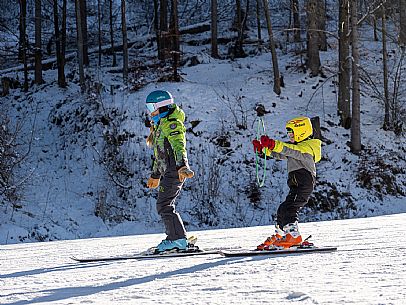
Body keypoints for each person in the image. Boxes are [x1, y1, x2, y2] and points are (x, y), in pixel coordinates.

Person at [252, 116, 321, 249]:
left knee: (290, 208)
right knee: (283, 209)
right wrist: (263, 150)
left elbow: (287, 149)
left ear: (302, 132)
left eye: (292, 133)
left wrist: (273, 144)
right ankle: (281, 235)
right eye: (288, 133)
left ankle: (294, 237)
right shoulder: (297, 148)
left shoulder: (307, 148)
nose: (289, 136)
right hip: (297, 183)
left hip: (304, 183)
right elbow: (281, 154)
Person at [145, 90, 194, 253]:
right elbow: (161, 154)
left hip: (175, 170)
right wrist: (155, 175)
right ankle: (178, 236)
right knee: (164, 204)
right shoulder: (161, 123)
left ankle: (177, 239)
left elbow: (179, 145)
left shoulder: (172, 123)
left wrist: (182, 166)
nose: (149, 111)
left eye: (151, 107)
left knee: (164, 205)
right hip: (169, 171)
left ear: (161, 106)